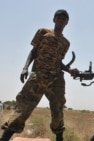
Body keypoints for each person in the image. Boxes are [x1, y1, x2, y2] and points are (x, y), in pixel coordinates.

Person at [0, 9, 79, 141]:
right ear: (54, 20)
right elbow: (33, 51)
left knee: (58, 108)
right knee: (23, 107)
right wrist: (25, 68)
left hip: (56, 79)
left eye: (64, 19)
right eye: (59, 18)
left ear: (67, 23)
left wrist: (69, 70)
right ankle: (4, 138)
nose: (61, 20)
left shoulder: (66, 43)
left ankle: (59, 138)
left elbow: (59, 62)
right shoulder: (43, 32)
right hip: (38, 76)